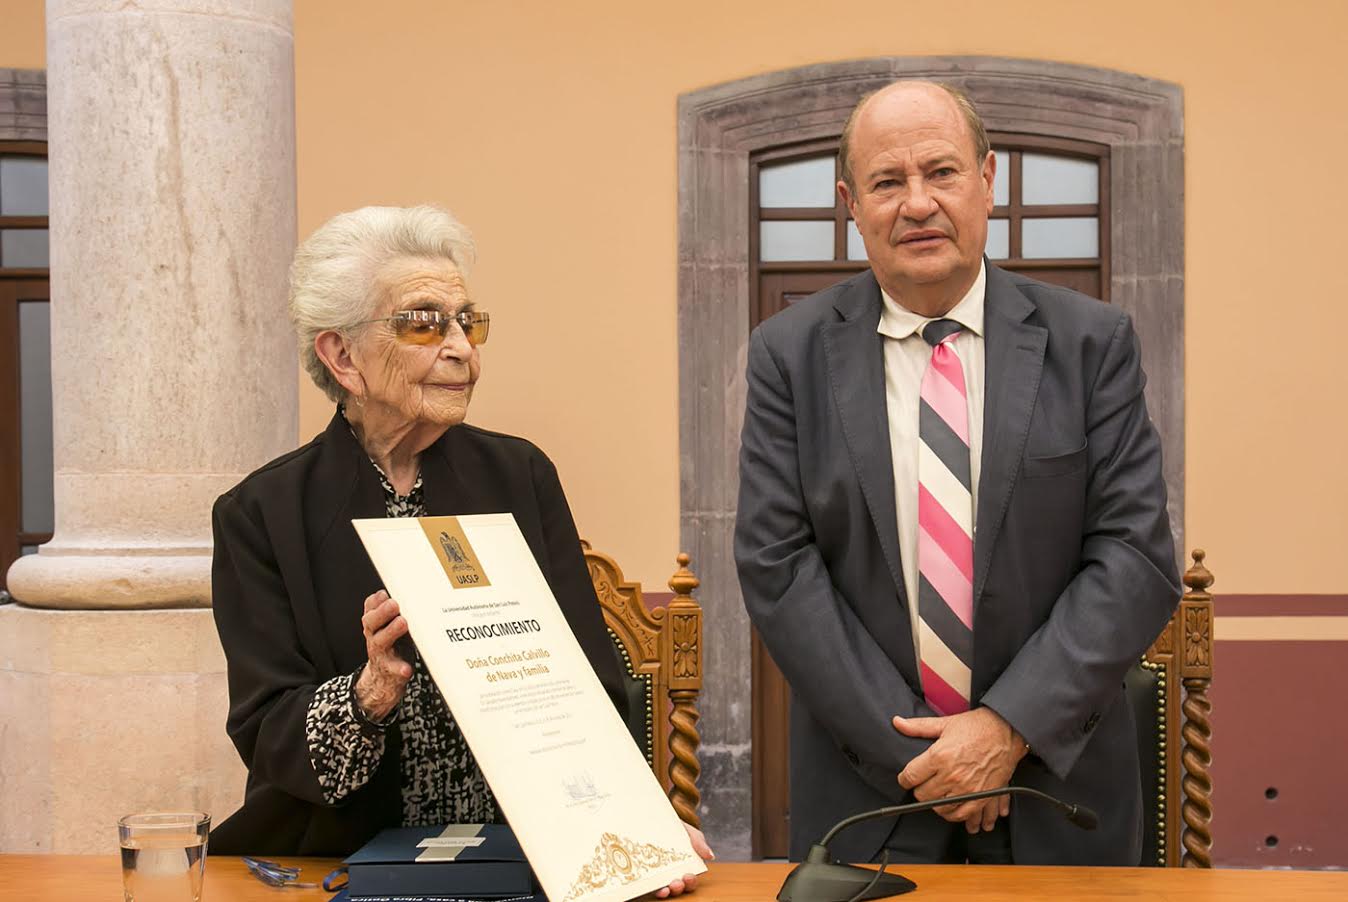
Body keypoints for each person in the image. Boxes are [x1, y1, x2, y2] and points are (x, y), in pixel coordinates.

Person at [734, 82, 1180, 866]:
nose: (917, 203)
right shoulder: (787, 355)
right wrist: (931, 760)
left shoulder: (1091, 344)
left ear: (987, 179)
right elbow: (778, 566)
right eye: (886, 181)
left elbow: (1135, 558)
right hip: (870, 800)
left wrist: (1006, 729)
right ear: (850, 202)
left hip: (1059, 795)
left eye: (941, 172)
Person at [211, 205, 711, 894]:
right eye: (424, 323)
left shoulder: (520, 476)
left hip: (526, 855)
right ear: (342, 356)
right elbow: (269, 733)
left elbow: (590, 683)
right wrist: (368, 694)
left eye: (467, 323)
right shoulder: (262, 514)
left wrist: (627, 822)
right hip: (341, 863)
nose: (463, 350)